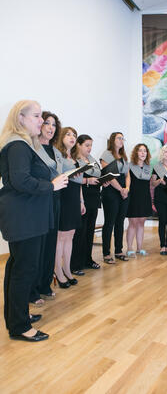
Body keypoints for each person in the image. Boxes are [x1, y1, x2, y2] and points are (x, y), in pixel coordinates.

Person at [0, 100, 68, 341]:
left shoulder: (21, 144)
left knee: (17, 267)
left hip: (24, 215)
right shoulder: (18, 145)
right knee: (24, 270)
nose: (42, 121)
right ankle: (19, 327)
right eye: (37, 116)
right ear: (21, 118)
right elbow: (21, 181)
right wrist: (51, 185)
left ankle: (16, 317)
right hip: (24, 216)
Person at [30, 111, 63, 305]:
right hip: (40, 200)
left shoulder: (55, 151)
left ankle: (44, 285)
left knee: (50, 243)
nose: (51, 128)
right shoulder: (31, 148)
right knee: (38, 247)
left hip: (55, 199)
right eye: (47, 123)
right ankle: (32, 290)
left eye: (54, 125)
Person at [54, 127, 86, 287]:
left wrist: (81, 202)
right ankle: (58, 271)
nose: (72, 137)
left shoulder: (76, 159)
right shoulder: (57, 155)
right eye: (68, 134)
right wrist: (71, 174)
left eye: (74, 135)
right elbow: (57, 175)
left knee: (70, 235)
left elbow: (79, 184)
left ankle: (67, 269)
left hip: (74, 198)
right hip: (63, 196)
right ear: (61, 137)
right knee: (61, 236)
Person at [70, 134, 102, 274]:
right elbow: (72, 178)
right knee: (79, 232)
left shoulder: (92, 159)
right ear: (78, 145)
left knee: (90, 231)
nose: (90, 148)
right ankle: (75, 264)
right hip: (83, 197)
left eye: (91, 145)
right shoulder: (74, 160)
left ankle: (87, 259)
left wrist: (102, 180)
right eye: (87, 145)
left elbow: (98, 174)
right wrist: (87, 181)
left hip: (94, 197)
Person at [100, 132, 130, 264]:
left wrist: (127, 189)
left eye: (123, 138)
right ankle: (106, 253)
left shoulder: (123, 156)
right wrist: (121, 189)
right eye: (119, 138)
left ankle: (119, 250)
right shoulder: (106, 155)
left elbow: (128, 175)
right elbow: (109, 176)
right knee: (109, 223)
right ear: (112, 140)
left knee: (120, 222)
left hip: (123, 191)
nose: (121, 140)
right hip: (111, 191)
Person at [126, 143, 152, 258]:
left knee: (141, 222)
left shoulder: (149, 167)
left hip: (145, 197)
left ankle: (140, 248)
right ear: (136, 152)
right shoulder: (129, 166)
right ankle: (129, 248)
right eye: (140, 151)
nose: (143, 153)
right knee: (133, 223)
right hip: (133, 197)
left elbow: (150, 184)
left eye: (145, 151)